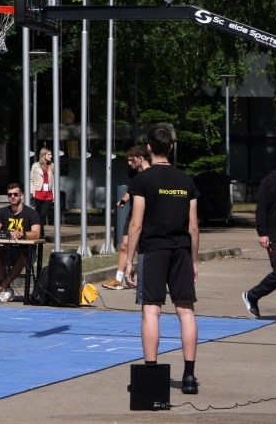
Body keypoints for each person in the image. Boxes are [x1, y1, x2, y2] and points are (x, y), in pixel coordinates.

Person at [125, 125, 201, 395]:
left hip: (153, 250)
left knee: (151, 310)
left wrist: (129, 261)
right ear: (170, 148)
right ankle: (189, 376)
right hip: (180, 249)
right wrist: (193, 260)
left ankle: (151, 374)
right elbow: (193, 227)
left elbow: (136, 224)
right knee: (186, 311)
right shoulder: (186, 181)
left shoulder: (142, 181)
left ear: (148, 148)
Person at [0, 183, 42, 302]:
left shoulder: (31, 213)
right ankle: (8, 289)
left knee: (23, 256)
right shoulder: (2, 212)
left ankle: (0, 288)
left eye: (16, 194)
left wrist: (23, 234)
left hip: (26, 251)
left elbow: (37, 234)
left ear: (22, 196)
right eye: (10, 195)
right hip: (8, 249)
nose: (13, 197)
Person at [243, 155, 276, 319]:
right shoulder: (268, 183)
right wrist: (262, 233)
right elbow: (261, 210)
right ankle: (252, 296)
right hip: (274, 235)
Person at [103, 145, 150, 290]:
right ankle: (118, 280)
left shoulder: (153, 174)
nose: (129, 163)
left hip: (149, 214)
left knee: (144, 249)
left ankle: (153, 279)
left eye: (132, 160)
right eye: (128, 160)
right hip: (133, 214)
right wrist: (124, 200)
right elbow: (131, 191)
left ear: (141, 159)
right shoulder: (133, 174)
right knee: (124, 245)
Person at [30, 148, 55, 218]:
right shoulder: (36, 166)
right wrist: (32, 191)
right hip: (38, 192)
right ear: (43, 155)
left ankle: (40, 228)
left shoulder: (52, 166)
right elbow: (31, 179)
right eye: (49, 154)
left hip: (48, 194)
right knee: (38, 213)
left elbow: (54, 180)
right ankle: (40, 229)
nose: (51, 156)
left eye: (51, 154)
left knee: (43, 214)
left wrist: (54, 193)